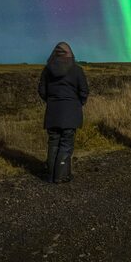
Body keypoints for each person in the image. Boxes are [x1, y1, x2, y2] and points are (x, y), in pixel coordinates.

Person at [38, 41, 89, 183]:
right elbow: (84, 90)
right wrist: (79, 103)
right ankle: (61, 176)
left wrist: (52, 102)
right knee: (66, 144)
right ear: (70, 53)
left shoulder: (47, 70)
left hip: (53, 112)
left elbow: (42, 91)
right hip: (71, 112)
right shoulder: (77, 70)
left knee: (53, 142)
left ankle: (51, 175)